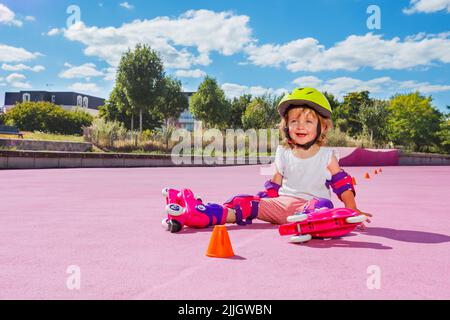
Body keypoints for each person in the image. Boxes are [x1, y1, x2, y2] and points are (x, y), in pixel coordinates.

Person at [164, 87, 372, 232]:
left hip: (309, 207)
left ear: (323, 127)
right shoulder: (283, 153)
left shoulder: (327, 156)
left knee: (324, 205)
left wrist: (351, 209)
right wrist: (258, 202)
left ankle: (311, 223)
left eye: (309, 121)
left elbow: (341, 184)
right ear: (286, 126)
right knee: (243, 203)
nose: (300, 126)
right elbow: (274, 185)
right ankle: (196, 214)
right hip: (280, 206)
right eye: (294, 121)